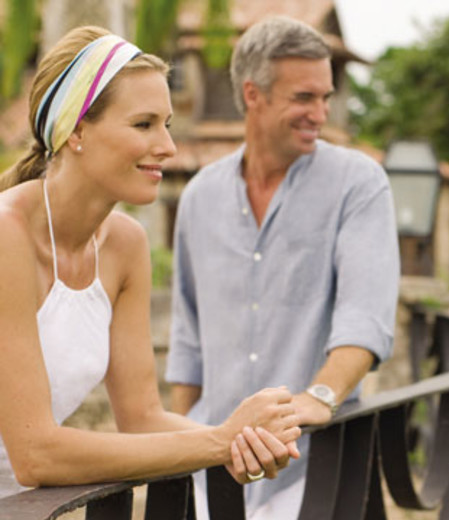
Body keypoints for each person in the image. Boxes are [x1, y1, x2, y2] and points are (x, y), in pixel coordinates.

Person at [0, 26, 302, 501]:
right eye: (143, 125)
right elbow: (36, 454)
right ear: (76, 131)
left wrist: (242, 440)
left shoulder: (124, 244)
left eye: (167, 124)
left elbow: (141, 418)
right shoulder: (7, 235)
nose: (167, 146)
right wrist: (219, 442)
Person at [165, 16, 400, 519]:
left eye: (326, 97)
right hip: (212, 471)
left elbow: (365, 319)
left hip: (313, 469)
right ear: (253, 94)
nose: (321, 113)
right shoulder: (199, 197)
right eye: (304, 98)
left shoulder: (359, 184)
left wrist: (319, 397)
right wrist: (174, 464)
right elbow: (188, 341)